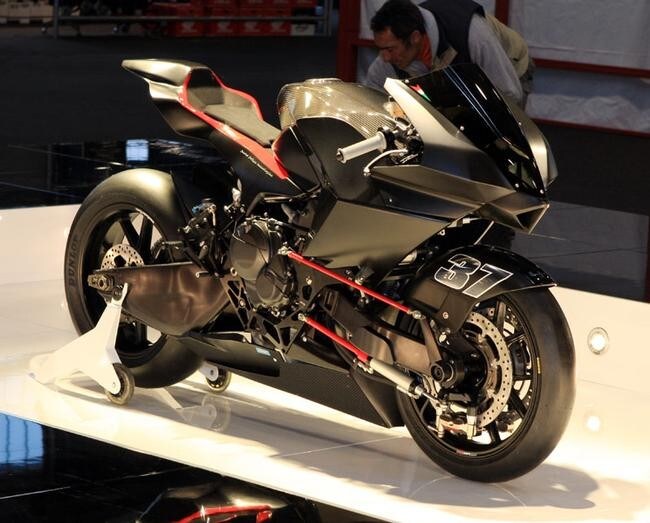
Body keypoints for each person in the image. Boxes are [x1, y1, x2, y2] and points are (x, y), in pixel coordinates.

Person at [365, 0, 532, 107]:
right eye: (381, 49)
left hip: (509, 67)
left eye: (390, 50)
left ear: (415, 37)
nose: (384, 57)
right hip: (459, 81)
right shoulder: (393, 50)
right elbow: (372, 96)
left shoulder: (474, 35)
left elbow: (510, 94)